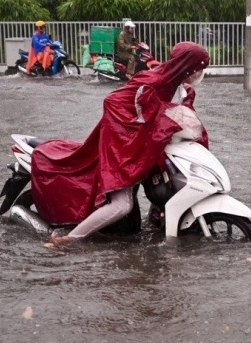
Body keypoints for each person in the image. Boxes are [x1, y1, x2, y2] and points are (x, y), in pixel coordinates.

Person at [30, 42, 211, 246]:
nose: (199, 75)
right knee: (122, 205)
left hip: (139, 144)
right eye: (199, 69)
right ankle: (68, 240)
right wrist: (156, 116)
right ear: (188, 67)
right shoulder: (155, 80)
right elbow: (113, 101)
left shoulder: (175, 84)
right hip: (121, 145)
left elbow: (171, 113)